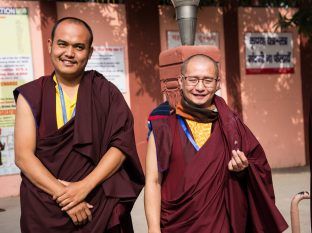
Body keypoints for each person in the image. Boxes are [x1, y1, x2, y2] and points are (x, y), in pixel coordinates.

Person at [14, 17, 144, 233]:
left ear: (90, 52)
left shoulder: (106, 92)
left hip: (95, 203)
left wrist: (84, 187)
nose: (69, 53)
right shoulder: (31, 95)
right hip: (44, 204)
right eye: (62, 44)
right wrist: (68, 197)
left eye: (79, 47)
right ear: (50, 45)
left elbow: (121, 145)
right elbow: (23, 157)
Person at [145, 54, 288, 233]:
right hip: (176, 226)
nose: (200, 87)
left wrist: (244, 170)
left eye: (207, 80)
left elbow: (259, 169)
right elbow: (153, 181)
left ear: (218, 83)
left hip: (221, 226)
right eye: (193, 80)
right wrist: (153, 228)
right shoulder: (163, 129)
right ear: (181, 81)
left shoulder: (232, 127)